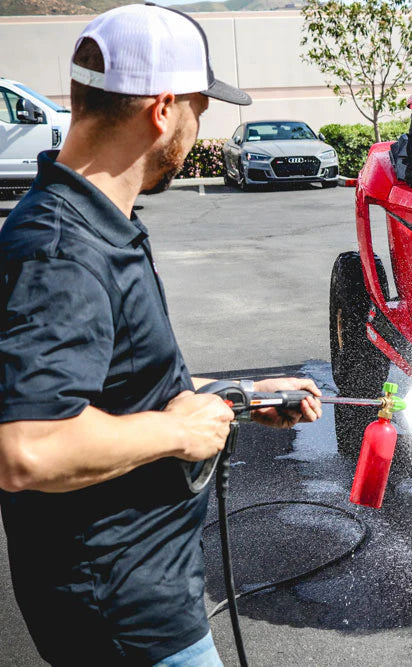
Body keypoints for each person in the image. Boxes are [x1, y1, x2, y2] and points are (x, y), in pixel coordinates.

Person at [0, 5, 323, 664]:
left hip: (140, 601)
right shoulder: (64, 246)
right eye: (199, 110)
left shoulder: (93, 223)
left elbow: (123, 390)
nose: (198, 127)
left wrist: (238, 394)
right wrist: (180, 432)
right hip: (128, 617)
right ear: (163, 109)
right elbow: (27, 447)